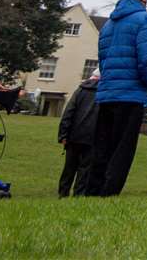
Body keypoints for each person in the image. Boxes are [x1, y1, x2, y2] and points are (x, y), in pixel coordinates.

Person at [85, 0, 147, 197]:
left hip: (108, 93)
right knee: (122, 148)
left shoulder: (109, 24)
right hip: (131, 93)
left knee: (102, 146)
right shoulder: (145, 20)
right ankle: (109, 192)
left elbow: (103, 59)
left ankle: (92, 190)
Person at [58, 69, 100, 197]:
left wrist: (63, 134)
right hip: (92, 136)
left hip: (74, 135)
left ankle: (63, 194)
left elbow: (69, 112)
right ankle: (78, 195)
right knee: (85, 169)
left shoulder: (80, 90)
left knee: (69, 168)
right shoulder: (104, 93)